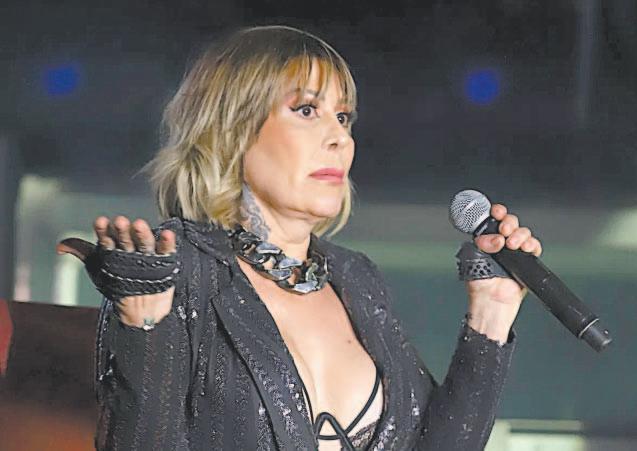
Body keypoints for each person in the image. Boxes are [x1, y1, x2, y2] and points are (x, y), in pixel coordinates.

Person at [57, 25, 542, 451]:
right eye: (307, 110)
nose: (339, 138)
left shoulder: (356, 278)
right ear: (232, 129)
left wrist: (491, 315)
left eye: (343, 117)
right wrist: (143, 328)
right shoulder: (176, 267)